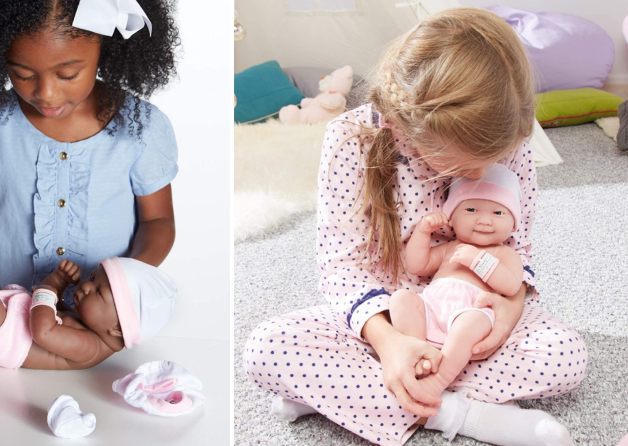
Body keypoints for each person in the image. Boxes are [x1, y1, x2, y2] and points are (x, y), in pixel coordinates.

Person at [243, 8, 586, 446]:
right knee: (268, 349)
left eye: (491, 158)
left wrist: (508, 313)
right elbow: (341, 267)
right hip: (384, 318)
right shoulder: (351, 139)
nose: (482, 173)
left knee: (564, 357)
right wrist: (390, 345)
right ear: (411, 126)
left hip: (473, 320)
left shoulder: (504, 141)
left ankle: (347, 396)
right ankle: (462, 415)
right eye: (460, 161)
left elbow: (517, 249)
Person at [0, 0, 180, 328]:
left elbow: (158, 221)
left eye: (68, 74)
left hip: (97, 333)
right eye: (22, 74)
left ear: (106, 47)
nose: (46, 93)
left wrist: (123, 282)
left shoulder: (139, 128)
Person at [0, 253, 176, 370]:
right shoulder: (91, 325)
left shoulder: (90, 348)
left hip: (4, 342)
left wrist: (50, 288)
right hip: (6, 320)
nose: (85, 286)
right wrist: (57, 281)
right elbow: (50, 309)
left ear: (118, 328)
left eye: (98, 291)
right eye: (92, 279)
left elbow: (43, 331)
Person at [390, 164, 525, 399]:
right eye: (471, 209)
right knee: (401, 299)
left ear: (513, 224)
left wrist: (479, 261)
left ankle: (439, 379)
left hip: (471, 310)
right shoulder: (451, 248)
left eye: (498, 213)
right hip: (432, 306)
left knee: (471, 322)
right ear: (451, 219)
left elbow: (512, 286)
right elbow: (417, 266)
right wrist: (422, 234)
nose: (484, 220)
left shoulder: (505, 254)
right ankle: (417, 350)